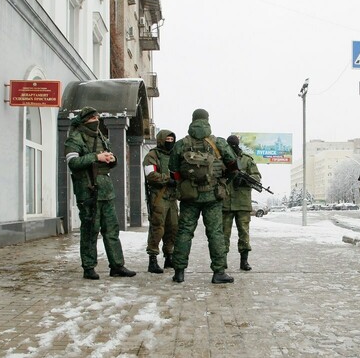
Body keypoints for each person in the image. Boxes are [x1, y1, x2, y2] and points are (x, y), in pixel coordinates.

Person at [64, 106, 136, 280]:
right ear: (84, 121)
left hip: (106, 190)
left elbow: (108, 159)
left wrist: (112, 159)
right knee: (90, 230)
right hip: (88, 190)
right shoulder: (75, 138)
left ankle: (117, 265)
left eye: (97, 117)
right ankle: (88, 267)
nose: (96, 121)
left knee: (112, 229)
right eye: (92, 118)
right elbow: (73, 162)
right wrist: (96, 157)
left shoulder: (101, 137)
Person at [168, 108, 238, 284]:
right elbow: (233, 166)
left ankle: (179, 272)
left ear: (192, 121)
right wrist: (223, 181)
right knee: (215, 233)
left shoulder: (181, 144)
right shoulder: (218, 143)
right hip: (212, 196)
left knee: (184, 232)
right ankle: (219, 272)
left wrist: (184, 183)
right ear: (207, 121)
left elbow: (173, 170)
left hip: (189, 197)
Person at [222, 135, 261, 271]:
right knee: (223, 234)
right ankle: (222, 260)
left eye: (234, 144)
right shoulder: (221, 158)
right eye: (230, 145)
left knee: (244, 233)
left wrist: (245, 179)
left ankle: (244, 261)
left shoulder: (247, 160)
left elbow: (257, 176)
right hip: (225, 202)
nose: (233, 147)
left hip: (242, 202)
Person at [143, 129, 179, 273]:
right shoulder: (152, 155)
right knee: (157, 228)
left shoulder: (175, 156)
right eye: (167, 140)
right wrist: (167, 179)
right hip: (158, 196)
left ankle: (169, 256)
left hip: (172, 197)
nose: (169, 143)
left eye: (172, 140)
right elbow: (150, 174)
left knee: (173, 227)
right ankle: (152, 259)